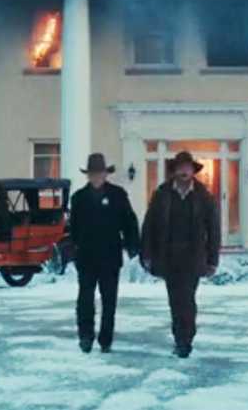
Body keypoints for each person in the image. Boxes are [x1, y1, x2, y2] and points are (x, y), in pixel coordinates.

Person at [138, 151, 220, 358]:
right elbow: (149, 225)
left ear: (193, 171)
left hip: (193, 257)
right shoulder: (162, 194)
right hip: (168, 256)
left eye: (187, 167)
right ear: (174, 171)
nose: (184, 171)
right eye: (180, 167)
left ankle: (186, 339)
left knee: (188, 299)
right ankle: (179, 338)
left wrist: (212, 259)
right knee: (174, 300)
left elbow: (214, 230)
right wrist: (146, 254)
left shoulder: (203, 196)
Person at [65, 152, 140, 353]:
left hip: (110, 257)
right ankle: (86, 336)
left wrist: (133, 245)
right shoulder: (78, 198)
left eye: (99, 173)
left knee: (109, 301)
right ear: (88, 175)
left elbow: (129, 222)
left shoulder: (118, 195)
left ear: (105, 174)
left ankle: (105, 339)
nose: (96, 177)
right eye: (92, 174)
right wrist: (72, 250)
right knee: (85, 300)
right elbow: (72, 229)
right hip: (86, 257)